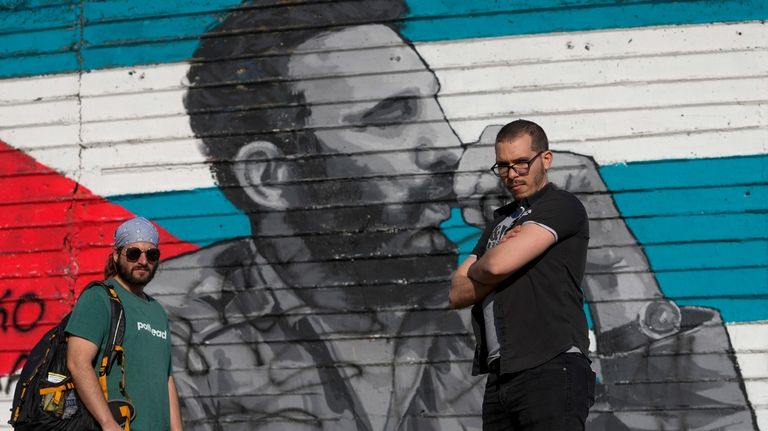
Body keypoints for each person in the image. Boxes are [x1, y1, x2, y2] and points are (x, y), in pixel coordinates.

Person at [149, 1, 483, 430]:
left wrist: (596, 260)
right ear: (271, 177)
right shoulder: (159, 336)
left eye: (431, 104)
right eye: (390, 117)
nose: (449, 149)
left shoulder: (482, 312)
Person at [449, 119, 596, 430]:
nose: (512, 174)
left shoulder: (560, 206)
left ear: (545, 159)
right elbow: (457, 293)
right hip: (502, 373)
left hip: (551, 365)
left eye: (521, 162)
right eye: (502, 166)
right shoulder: (501, 221)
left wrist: (483, 264)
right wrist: (495, 257)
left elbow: (495, 267)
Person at [66, 217, 183, 431]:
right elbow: (77, 362)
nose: (143, 260)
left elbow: (166, 378)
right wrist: (108, 423)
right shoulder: (99, 298)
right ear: (117, 255)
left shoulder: (157, 311)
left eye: (151, 254)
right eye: (133, 253)